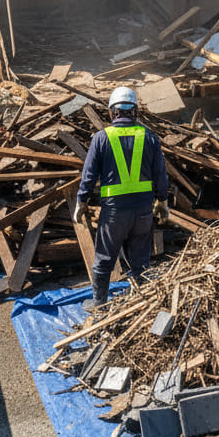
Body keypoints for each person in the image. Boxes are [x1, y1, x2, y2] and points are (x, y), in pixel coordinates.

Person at [74, 86, 169, 312]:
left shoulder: (101, 138)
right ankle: (142, 305)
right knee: (140, 262)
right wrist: (162, 201)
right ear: (135, 112)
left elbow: (88, 175)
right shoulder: (150, 137)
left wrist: (81, 202)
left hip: (114, 214)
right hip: (143, 213)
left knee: (105, 259)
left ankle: (99, 304)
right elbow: (161, 175)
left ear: (112, 113)